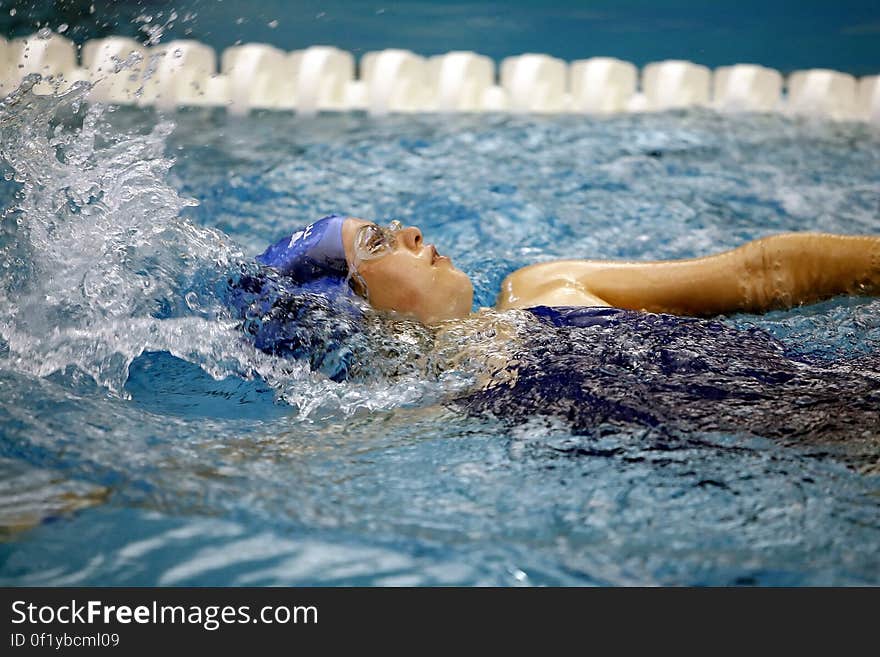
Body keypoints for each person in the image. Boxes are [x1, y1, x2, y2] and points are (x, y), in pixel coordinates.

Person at [229, 214, 880, 466]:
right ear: (352, 308)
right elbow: (274, 459)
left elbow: (761, 273)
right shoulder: (433, 408)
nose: (412, 231)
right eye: (379, 241)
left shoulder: (546, 285)